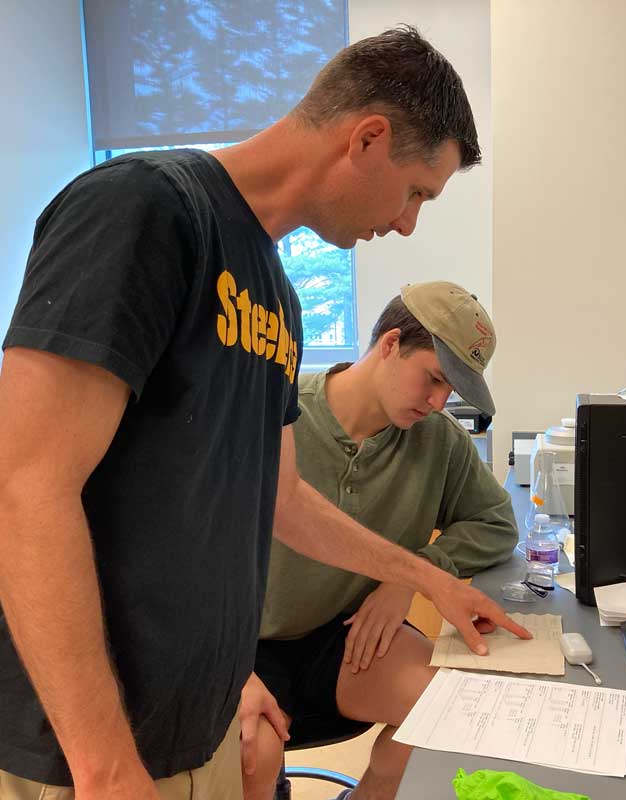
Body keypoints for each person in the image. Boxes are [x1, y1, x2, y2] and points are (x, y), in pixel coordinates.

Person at [0, 24, 529, 800]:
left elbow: (282, 503)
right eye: (416, 190)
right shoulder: (146, 211)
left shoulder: (276, 300)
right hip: (94, 749)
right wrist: (106, 767)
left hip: (200, 726)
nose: (409, 222)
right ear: (368, 138)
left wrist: (425, 577)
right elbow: (23, 487)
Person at [241, 281, 518, 800]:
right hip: (240, 646)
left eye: (452, 391)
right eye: (433, 379)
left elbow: (498, 523)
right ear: (390, 344)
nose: (439, 403)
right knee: (254, 754)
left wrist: (408, 576)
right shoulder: (277, 418)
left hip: (345, 637)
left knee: (449, 703)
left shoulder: (438, 441)